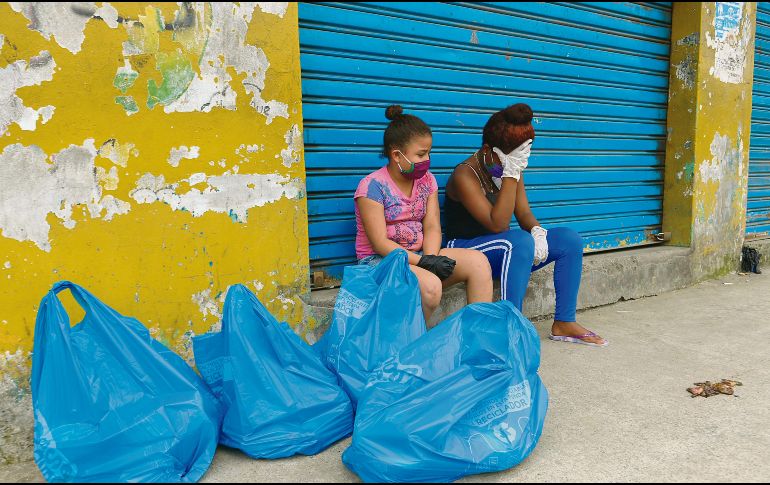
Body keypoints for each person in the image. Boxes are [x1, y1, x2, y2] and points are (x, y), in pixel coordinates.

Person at [443, 103, 607, 346]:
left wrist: (537, 232)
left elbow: (523, 213)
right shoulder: (464, 175)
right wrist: (510, 173)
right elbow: (497, 224)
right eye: (511, 158)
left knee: (569, 240)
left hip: (503, 249)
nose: (517, 164)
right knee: (518, 240)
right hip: (463, 249)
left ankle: (564, 322)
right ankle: (511, 327)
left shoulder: (511, 167)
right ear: (487, 150)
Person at [354, 105, 493, 321]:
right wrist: (425, 265)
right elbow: (379, 243)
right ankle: (412, 348)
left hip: (419, 257)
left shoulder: (427, 180)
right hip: (380, 262)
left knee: (479, 263)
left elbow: (432, 226)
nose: (427, 160)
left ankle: (477, 338)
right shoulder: (372, 187)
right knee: (430, 287)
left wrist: (430, 258)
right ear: (397, 155)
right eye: (421, 154)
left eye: (429, 152)